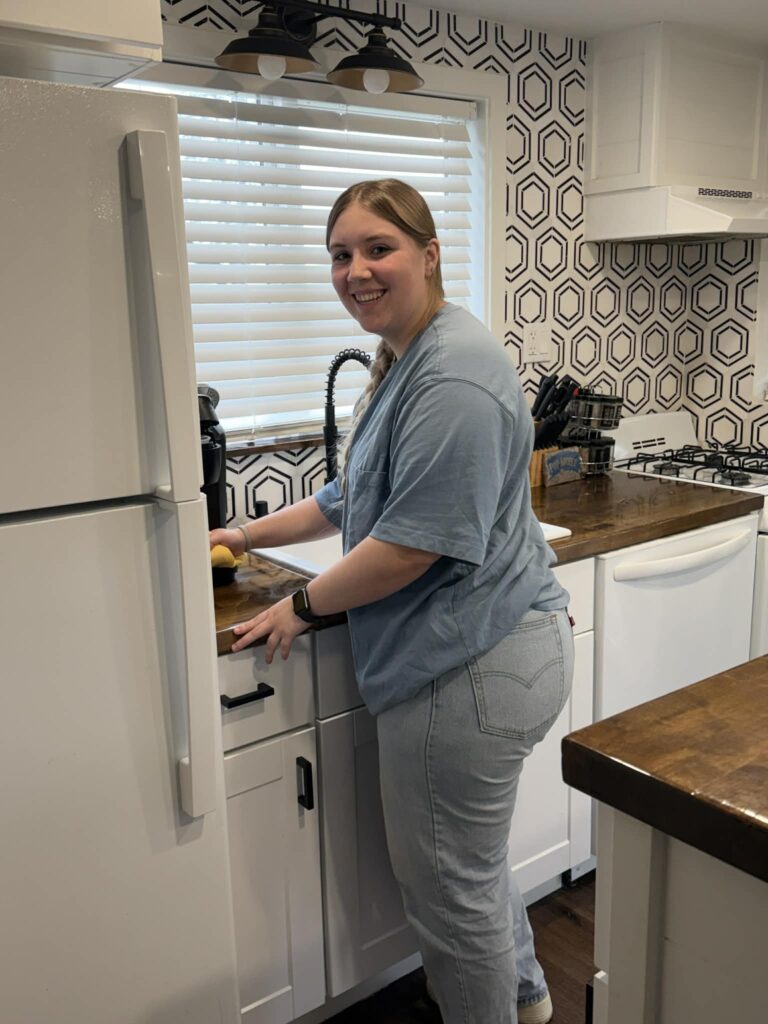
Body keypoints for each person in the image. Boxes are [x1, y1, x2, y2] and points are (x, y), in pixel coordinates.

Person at [210, 179, 574, 1024]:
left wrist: (299, 610)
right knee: (469, 875)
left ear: (430, 254)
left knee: (450, 895)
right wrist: (242, 535)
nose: (357, 271)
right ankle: (524, 1000)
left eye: (379, 249)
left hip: (473, 671)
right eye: (342, 254)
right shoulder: (406, 354)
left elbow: (411, 545)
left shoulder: (453, 376)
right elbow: (351, 495)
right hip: (485, 655)